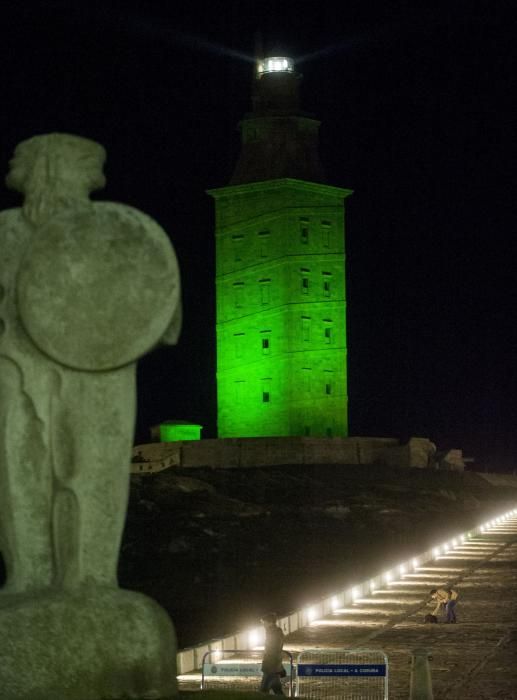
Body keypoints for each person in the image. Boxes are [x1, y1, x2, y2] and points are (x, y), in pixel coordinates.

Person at [260, 612, 285, 695]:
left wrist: (269, 664)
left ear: (269, 622)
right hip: (274, 666)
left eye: (264, 622)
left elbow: (272, 650)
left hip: (271, 667)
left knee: (263, 691)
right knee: (277, 691)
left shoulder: (272, 633)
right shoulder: (275, 632)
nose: (263, 625)